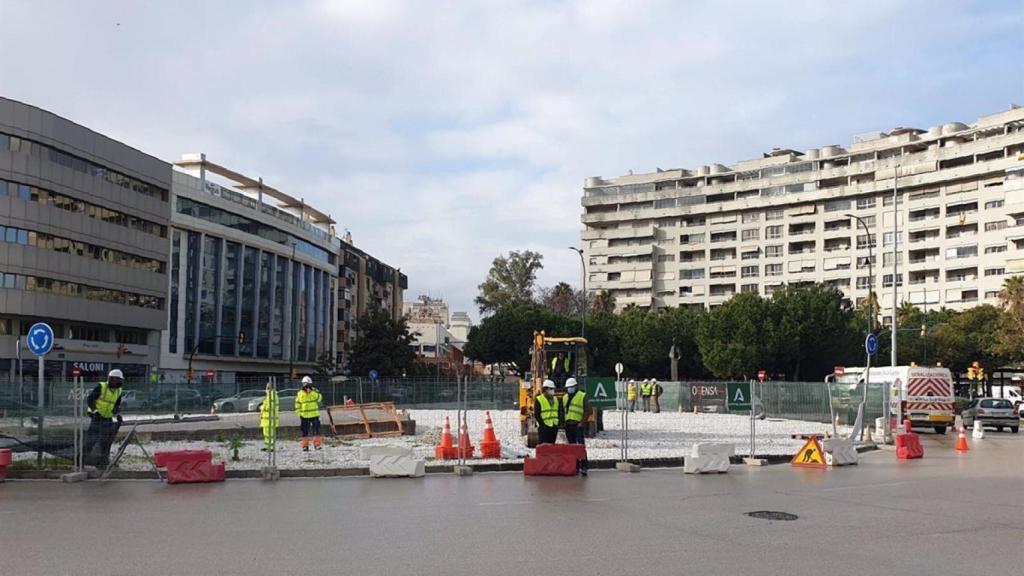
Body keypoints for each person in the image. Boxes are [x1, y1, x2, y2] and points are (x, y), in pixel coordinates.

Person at [82, 369, 125, 467]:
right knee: (91, 440)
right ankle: (81, 460)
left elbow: (116, 405)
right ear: (110, 379)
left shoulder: (119, 391)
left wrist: (117, 414)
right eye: (115, 380)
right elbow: (90, 399)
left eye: (119, 380)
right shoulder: (101, 386)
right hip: (96, 417)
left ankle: (102, 462)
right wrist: (95, 411)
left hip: (107, 418)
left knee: (106, 441)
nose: (117, 382)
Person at [561, 377, 590, 476]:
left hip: (578, 425)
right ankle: (576, 466)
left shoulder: (582, 396)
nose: (570, 389)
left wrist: (582, 422)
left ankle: (584, 466)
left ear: (576, 386)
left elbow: (588, 410)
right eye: (568, 388)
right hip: (568, 425)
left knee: (580, 447)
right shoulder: (565, 397)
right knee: (572, 447)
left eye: (571, 387)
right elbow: (564, 411)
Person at [295, 376, 324, 451]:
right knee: (304, 431)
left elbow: (319, 398)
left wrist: (311, 392)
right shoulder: (300, 393)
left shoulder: (314, 391)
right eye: (305, 384)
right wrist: (299, 413)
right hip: (304, 416)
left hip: (314, 414)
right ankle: (305, 446)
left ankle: (317, 445)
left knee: (316, 431)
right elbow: (297, 403)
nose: (306, 386)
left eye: (308, 384)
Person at [534, 379, 562, 445]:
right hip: (544, 427)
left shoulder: (555, 399)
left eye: (553, 389)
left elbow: (558, 411)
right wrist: (542, 425)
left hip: (554, 426)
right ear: (546, 389)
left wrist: (557, 424)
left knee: (551, 447)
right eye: (551, 389)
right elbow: (537, 414)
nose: (553, 391)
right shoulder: (539, 399)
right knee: (543, 446)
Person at [260, 381, 280, 452]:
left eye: (267, 387)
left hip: (270, 418)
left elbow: (269, 407)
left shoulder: (272, 395)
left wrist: (262, 407)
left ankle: (271, 447)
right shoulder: (270, 395)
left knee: (270, 434)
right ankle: (267, 446)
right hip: (267, 419)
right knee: (266, 434)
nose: (266, 389)